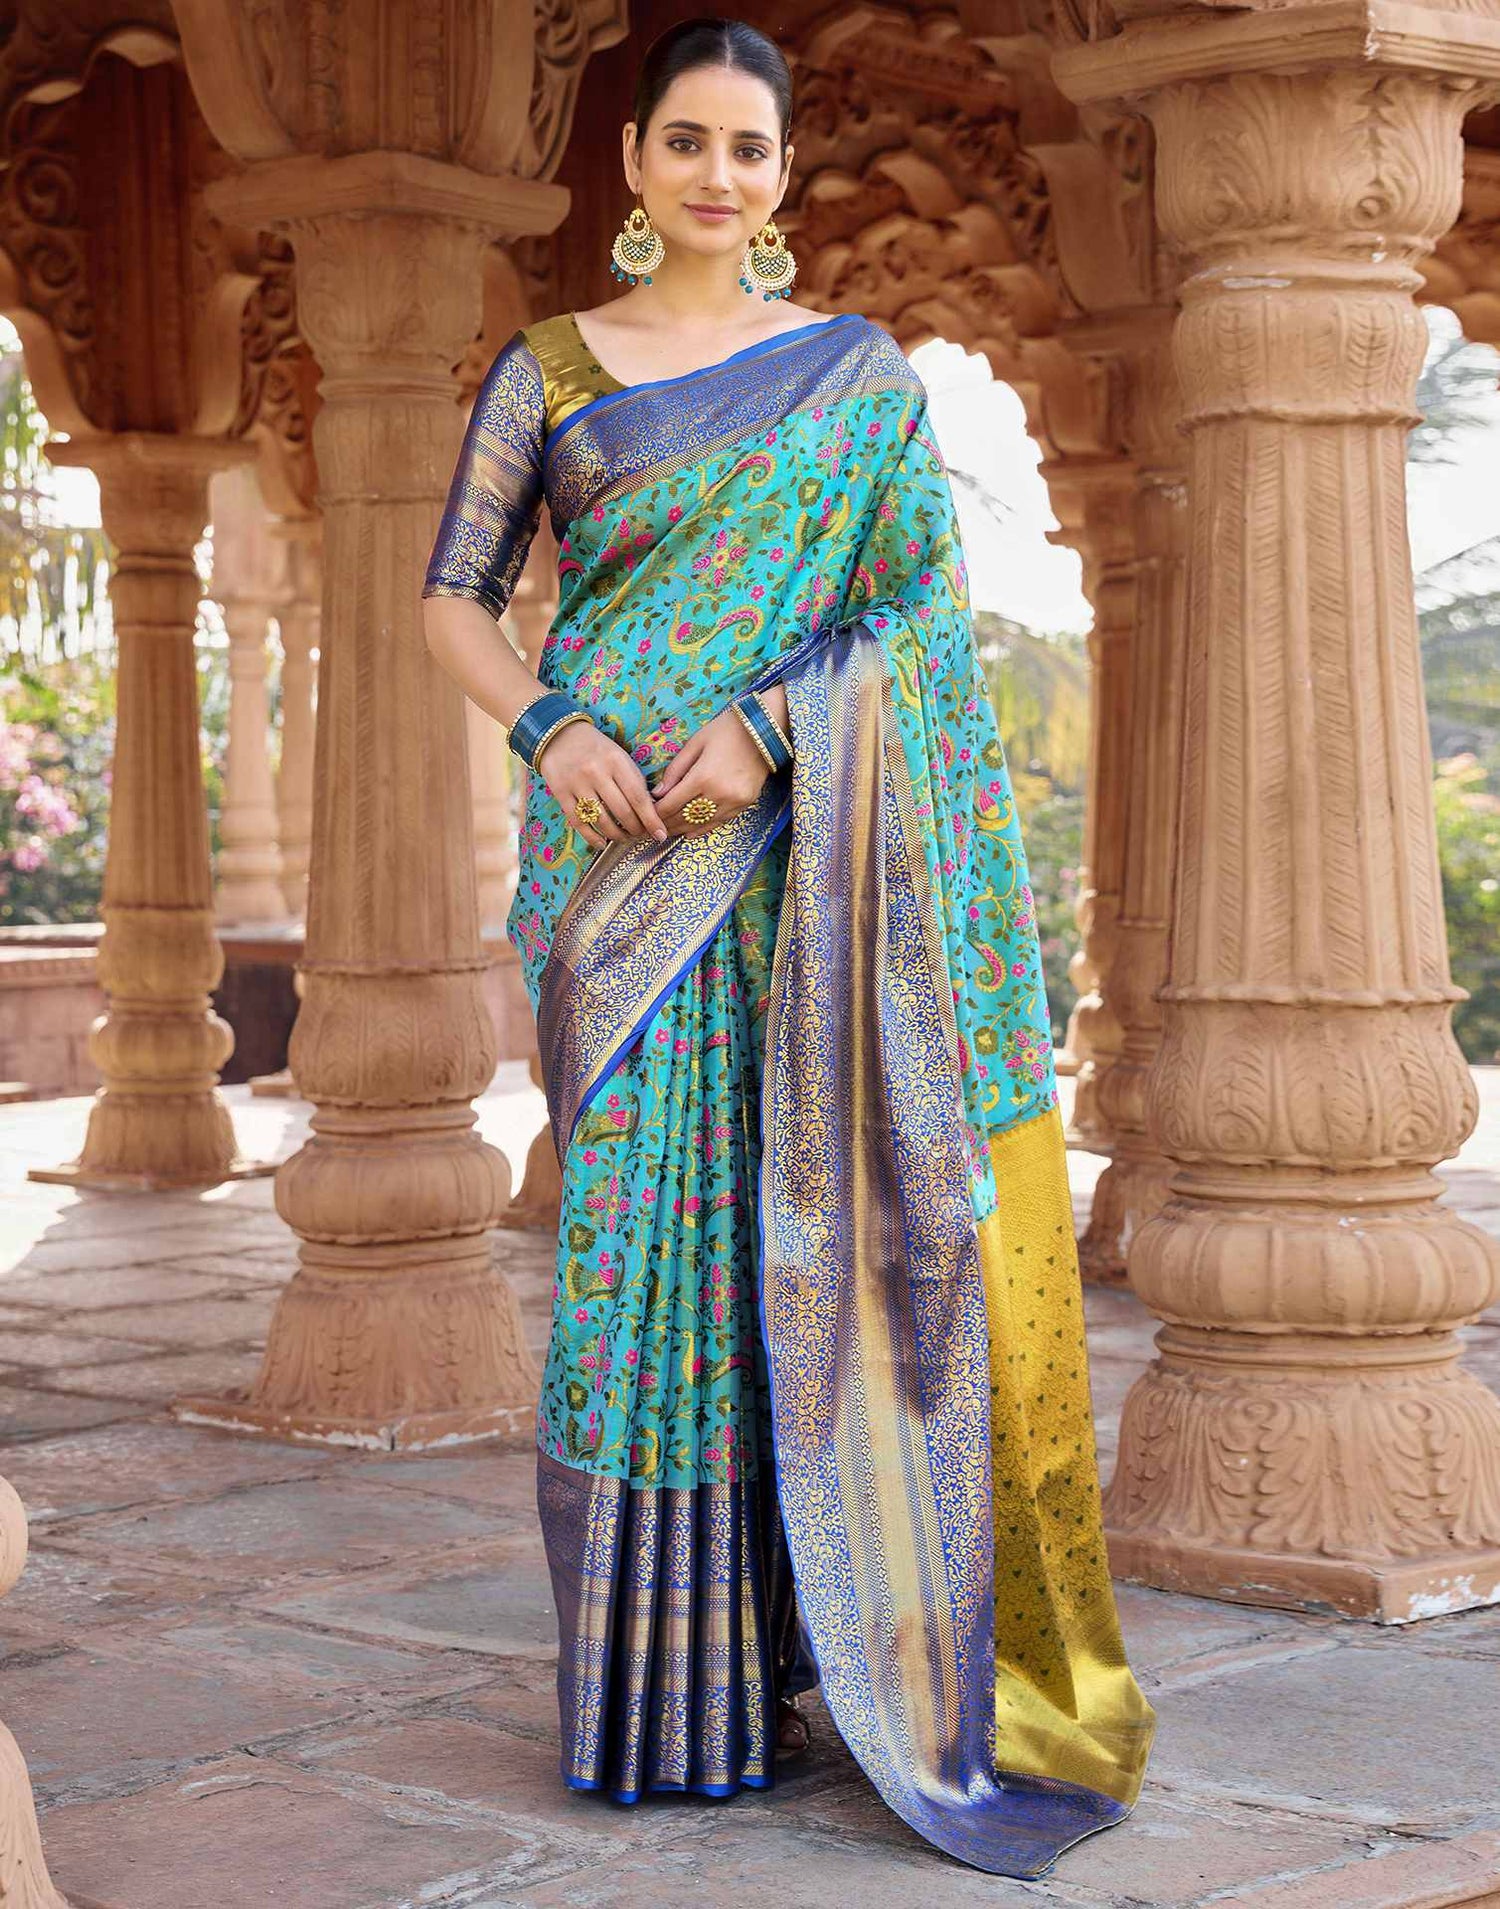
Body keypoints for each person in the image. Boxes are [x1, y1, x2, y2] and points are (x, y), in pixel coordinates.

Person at [421, 14, 1155, 1880]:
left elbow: (916, 618)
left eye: (749, 148)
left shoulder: (855, 378)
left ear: (781, 174)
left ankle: (812, 1655)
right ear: (632, 162)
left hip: (802, 862)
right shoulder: (549, 370)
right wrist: (549, 727)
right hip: (612, 877)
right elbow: (454, 599)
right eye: (687, 140)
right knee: (635, 1260)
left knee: (809, 1236)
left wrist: (772, 725)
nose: (717, 175)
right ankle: (658, 1695)